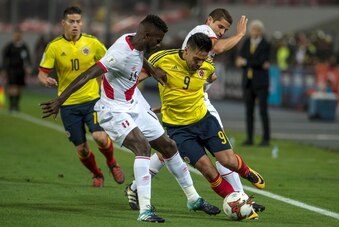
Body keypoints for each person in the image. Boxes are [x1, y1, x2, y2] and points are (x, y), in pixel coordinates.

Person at [39, 14, 220, 223]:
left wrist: (153, 71)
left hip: (135, 102)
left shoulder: (134, 41)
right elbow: (88, 73)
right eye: (157, 40)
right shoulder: (119, 53)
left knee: (169, 146)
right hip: (113, 109)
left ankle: (193, 199)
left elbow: (139, 58)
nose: (159, 44)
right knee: (142, 147)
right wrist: (60, 100)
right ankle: (145, 210)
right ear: (146, 35)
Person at [126, 8, 265, 214]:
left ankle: (243, 181)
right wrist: (135, 107)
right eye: (219, 27)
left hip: (202, 114)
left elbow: (200, 80)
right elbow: (134, 80)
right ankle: (238, 201)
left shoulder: (206, 65)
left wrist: (170, 102)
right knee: (201, 166)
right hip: (179, 127)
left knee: (220, 159)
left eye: (224, 30)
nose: (220, 33)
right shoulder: (174, 51)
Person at [37, 6, 124, 187]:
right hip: (68, 105)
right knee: (82, 149)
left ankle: (112, 163)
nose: (75, 25)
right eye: (71, 21)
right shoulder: (54, 47)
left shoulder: (92, 43)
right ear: (63, 23)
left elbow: (110, 62)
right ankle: (96, 173)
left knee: (100, 137)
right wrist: (45, 80)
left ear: (82, 23)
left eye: (78, 21)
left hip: (92, 101)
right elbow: (42, 73)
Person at [235, 19, 271, 146]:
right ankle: (249, 138)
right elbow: (240, 58)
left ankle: (266, 139)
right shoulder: (246, 42)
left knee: (263, 111)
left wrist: (245, 62)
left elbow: (262, 61)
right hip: (248, 82)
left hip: (261, 83)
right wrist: (254, 62)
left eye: (256, 30)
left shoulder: (266, 44)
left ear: (261, 31)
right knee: (249, 112)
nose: (254, 32)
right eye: (252, 30)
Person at [2, 28, 32, 112]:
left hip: (21, 70)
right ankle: (12, 105)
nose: (17, 35)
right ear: (14, 35)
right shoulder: (9, 46)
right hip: (11, 69)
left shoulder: (24, 46)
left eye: (19, 34)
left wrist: (28, 66)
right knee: (12, 86)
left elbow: (27, 57)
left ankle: (17, 104)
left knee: (19, 87)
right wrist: (3, 69)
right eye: (16, 34)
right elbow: (5, 58)